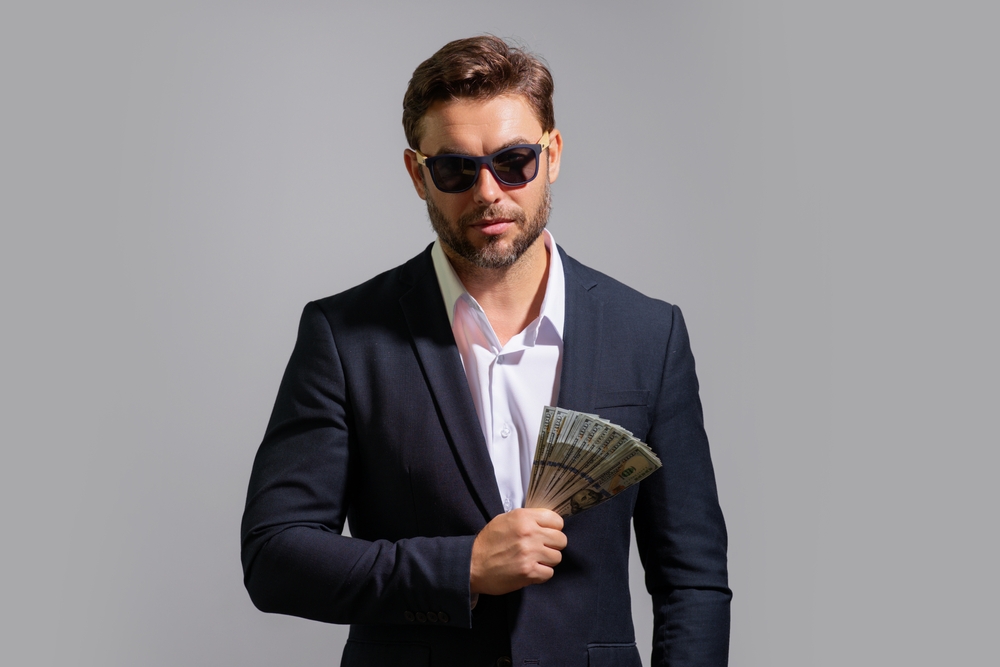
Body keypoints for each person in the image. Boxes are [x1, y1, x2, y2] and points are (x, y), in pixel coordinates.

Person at [241, 35, 731, 667]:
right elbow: (274, 555)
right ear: (418, 174)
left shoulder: (648, 334)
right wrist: (462, 567)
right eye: (455, 169)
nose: (489, 192)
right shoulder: (344, 335)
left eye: (514, 161)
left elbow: (692, 581)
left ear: (552, 155)